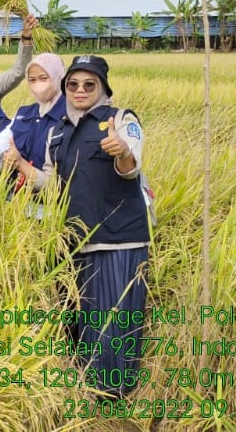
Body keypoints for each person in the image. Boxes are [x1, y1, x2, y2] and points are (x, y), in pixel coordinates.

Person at [19, 55, 150, 397]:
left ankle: (114, 395)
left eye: (89, 84)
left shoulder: (121, 119)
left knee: (114, 319)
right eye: (73, 84)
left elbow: (131, 168)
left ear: (103, 87)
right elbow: (51, 184)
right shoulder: (58, 131)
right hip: (75, 241)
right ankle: (88, 388)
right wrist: (19, 164)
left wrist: (121, 150)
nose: (80, 90)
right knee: (81, 317)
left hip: (117, 240)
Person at [2, 53, 67, 207]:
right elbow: (2, 144)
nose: (38, 84)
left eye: (44, 78)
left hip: (53, 206)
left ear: (59, 77)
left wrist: (20, 163)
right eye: (32, 80)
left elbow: (63, 181)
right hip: (17, 201)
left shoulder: (71, 116)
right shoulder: (24, 113)